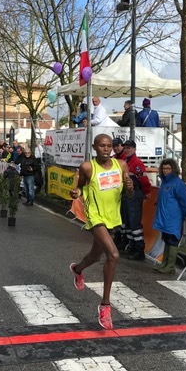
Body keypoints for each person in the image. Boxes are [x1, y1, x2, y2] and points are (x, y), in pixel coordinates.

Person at [69, 134, 134, 330]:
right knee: (113, 255)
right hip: (95, 215)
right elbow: (80, 188)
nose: (106, 149)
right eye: (102, 146)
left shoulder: (121, 165)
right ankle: (105, 305)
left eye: (109, 146)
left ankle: (77, 269)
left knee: (95, 256)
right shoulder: (88, 167)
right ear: (94, 147)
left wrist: (130, 188)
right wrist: (76, 192)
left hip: (112, 217)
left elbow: (128, 194)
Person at [153, 159, 186, 274]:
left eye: (168, 168)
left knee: (172, 240)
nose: (165, 171)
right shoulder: (165, 182)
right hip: (166, 217)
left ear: (173, 169)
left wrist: (184, 215)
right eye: (164, 168)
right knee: (167, 239)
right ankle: (165, 263)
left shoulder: (177, 183)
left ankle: (170, 265)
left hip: (174, 217)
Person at [119, 140, 152, 261]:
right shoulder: (126, 161)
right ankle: (131, 245)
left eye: (129, 148)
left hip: (135, 193)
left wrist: (146, 192)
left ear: (134, 149)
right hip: (127, 194)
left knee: (134, 222)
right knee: (128, 222)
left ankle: (139, 249)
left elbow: (144, 180)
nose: (126, 150)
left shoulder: (136, 163)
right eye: (125, 148)